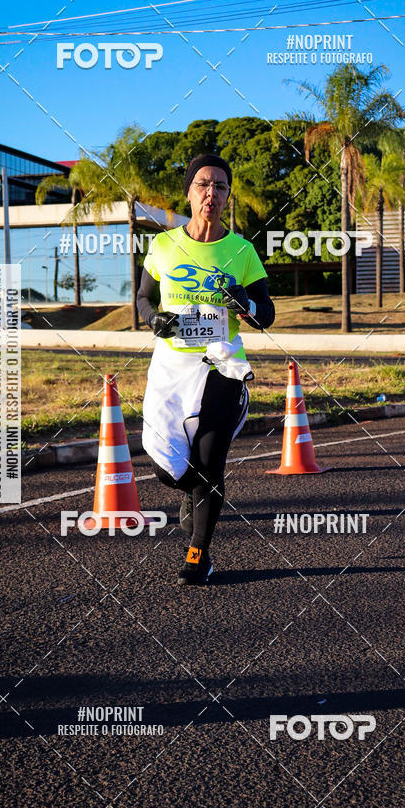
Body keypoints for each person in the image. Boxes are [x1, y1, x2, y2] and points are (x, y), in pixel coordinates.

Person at [137, 154, 275, 585]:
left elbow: (266, 313)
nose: (210, 192)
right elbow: (142, 299)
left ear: (227, 195)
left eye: (219, 186)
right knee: (165, 465)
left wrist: (246, 304)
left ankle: (198, 554)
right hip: (172, 366)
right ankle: (194, 495)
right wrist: (151, 319)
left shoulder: (242, 251)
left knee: (210, 461)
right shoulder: (162, 246)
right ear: (189, 192)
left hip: (222, 365)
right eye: (202, 184)